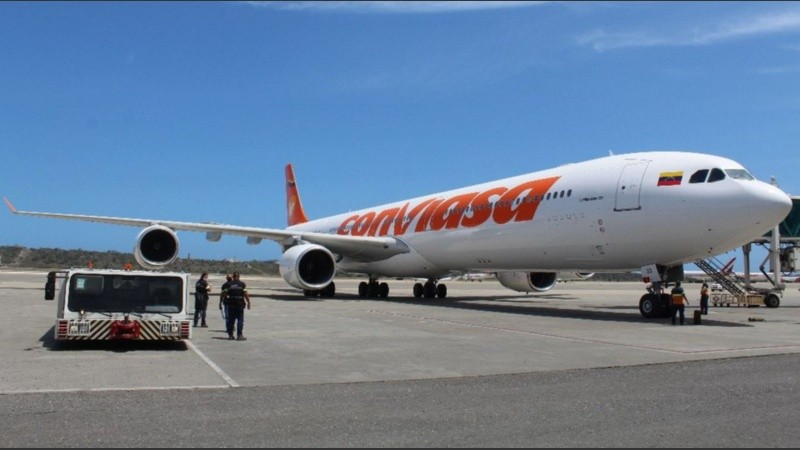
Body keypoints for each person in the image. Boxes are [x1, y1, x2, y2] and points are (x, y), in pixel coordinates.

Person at [222, 272, 251, 341]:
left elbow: (224, 293)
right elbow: (245, 293)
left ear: (233, 277)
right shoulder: (242, 284)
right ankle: (239, 335)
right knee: (240, 320)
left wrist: (227, 297)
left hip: (231, 304)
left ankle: (230, 335)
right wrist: (248, 302)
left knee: (231, 321)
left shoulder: (229, 284)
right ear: (239, 276)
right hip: (239, 304)